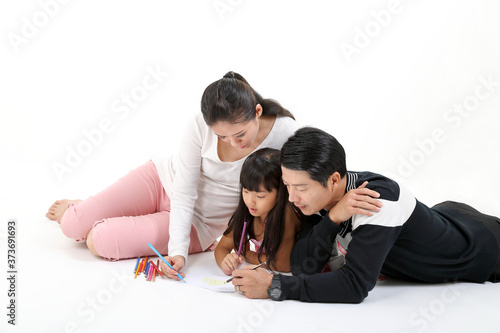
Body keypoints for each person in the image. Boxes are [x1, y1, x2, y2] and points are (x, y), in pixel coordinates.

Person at [45, 71, 298, 280]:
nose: (232, 143)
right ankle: (80, 208)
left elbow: (307, 176)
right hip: (161, 180)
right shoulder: (199, 124)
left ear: (256, 112)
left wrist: (179, 253)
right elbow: (184, 192)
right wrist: (178, 247)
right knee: (71, 224)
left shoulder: (285, 134)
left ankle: (97, 213)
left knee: (97, 240)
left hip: (198, 224)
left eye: (240, 134)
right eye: (222, 136)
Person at [231, 127, 500, 302]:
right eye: (287, 186)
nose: (291, 198)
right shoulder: (314, 198)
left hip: (483, 247)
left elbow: (355, 285)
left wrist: (274, 286)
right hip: (446, 215)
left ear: (334, 179)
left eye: (299, 188)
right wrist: (332, 218)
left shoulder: (375, 202)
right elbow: (304, 266)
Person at [215, 148, 310, 275]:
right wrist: (225, 262)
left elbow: (283, 265)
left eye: (260, 196)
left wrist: (248, 255)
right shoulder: (247, 210)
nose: (250, 201)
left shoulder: (286, 215)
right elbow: (222, 247)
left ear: (280, 193)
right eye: (246, 191)